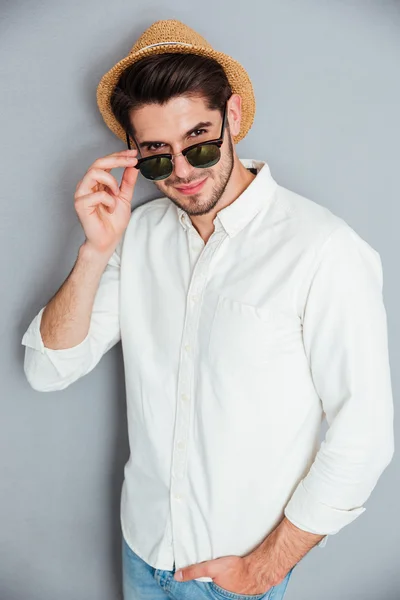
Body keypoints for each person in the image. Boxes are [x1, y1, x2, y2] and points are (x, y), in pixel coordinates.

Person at [21, 19, 394, 600]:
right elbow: (47, 371)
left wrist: (260, 571)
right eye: (157, 155)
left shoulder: (324, 249)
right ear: (136, 154)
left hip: (239, 575)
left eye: (199, 138)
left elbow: (364, 436)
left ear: (234, 117)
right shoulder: (138, 236)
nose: (185, 170)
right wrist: (95, 252)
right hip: (142, 550)